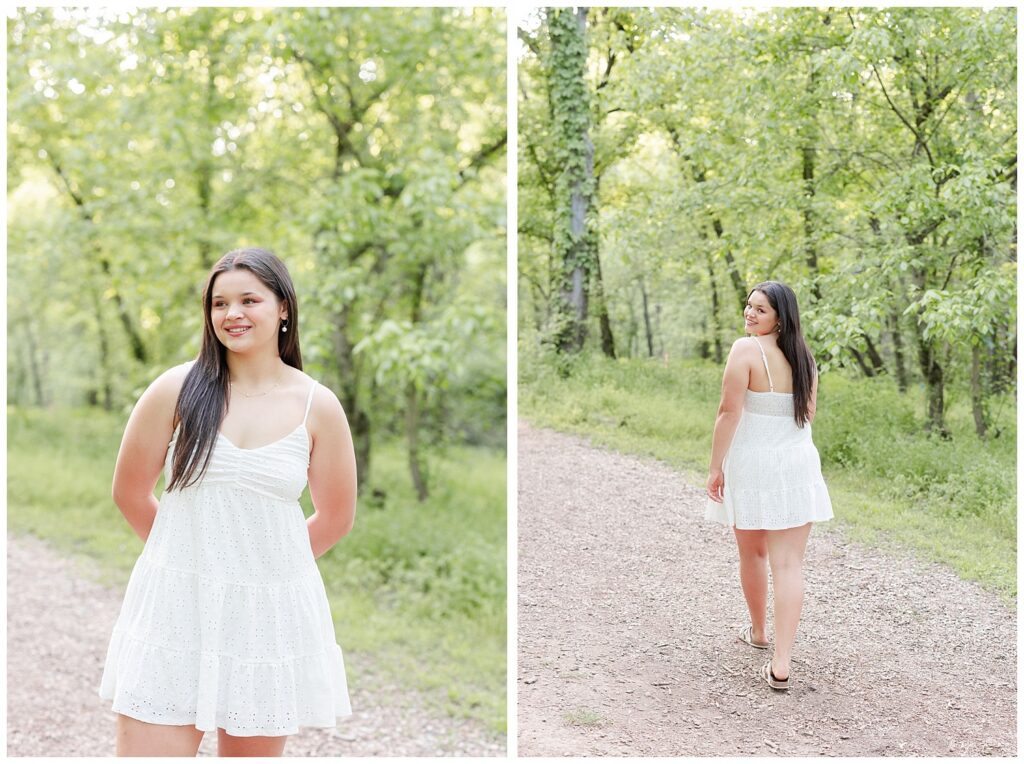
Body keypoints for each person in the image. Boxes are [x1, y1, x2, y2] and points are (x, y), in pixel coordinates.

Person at [99, 248, 357, 756]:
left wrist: (262, 571)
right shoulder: (175, 389)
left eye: (248, 300)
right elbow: (129, 493)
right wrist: (190, 562)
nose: (231, 314)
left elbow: (336, 517)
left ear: (283, 308)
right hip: (173, 610)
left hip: (263, 619)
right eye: (219, 303)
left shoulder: (317, 405)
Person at [705, 280, 832, 691]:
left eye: (759, 309)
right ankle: (781, 660)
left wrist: (714, 467)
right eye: (748, 305)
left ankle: (761, 634)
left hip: (754, 463)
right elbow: (806, 415)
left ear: (780, 317)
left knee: (753, 553)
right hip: (797, 464)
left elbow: (728, 412)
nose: (749, 313)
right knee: (789, 564)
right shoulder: (805, 358)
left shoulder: (746, 349)